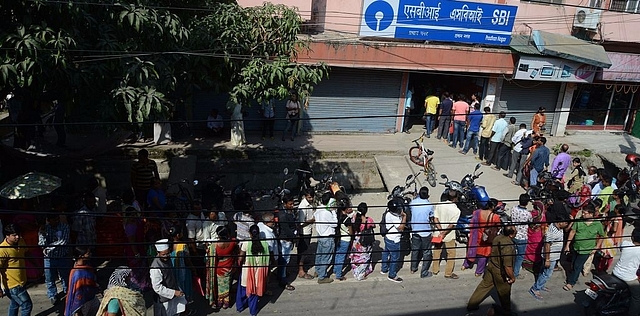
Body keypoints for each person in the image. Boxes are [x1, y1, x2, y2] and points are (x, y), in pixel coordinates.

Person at [466, 225, 517, 316]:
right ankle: (507, 311)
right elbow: (507, 266)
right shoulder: (508, 246)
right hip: (500, 272)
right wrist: (512, 277)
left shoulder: (498, 238)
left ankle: (472, 305)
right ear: (511, 235)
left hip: (491, 266)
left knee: (484, 286)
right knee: (504, 292)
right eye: (515, 231)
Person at [563, 204, 605, 291]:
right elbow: (572, 232)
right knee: (574, 264)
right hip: (576, 248)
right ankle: (573, 276)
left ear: (591, 214)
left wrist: (596, 247)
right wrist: (567, 245)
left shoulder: (597, 224)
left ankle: (571, 282)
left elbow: (601, 236)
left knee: (578, 266)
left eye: (585, 213)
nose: (582, 214)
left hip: (586, 250)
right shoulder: (579, 221)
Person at [529, 215, 570, 300]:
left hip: (553, 256)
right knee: (547, 273)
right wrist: (547, 259)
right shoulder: (553, 231)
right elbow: (547, 245)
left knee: (543, 271)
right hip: (550, 256)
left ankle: (540, 285)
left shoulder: (558, 227)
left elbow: (566, 229)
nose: (566, 225)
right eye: (566, 223)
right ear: (560, 222)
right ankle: (535, 289)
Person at [150, 239, 190, 316]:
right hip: (164, 298)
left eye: (167, 254)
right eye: (163, 254)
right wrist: (173, 292)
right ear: (158, 253)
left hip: (173, 292)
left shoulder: (167, 259)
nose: (166, 256)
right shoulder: (155, 267)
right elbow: (157, 287)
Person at [236, 225, 270, 316]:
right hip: (259, 273)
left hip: (247, 272)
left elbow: (240, 258)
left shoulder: (246, 243)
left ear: (250, 233)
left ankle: (240, 307)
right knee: (254, 293)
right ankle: (253, 311)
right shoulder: (265, 244)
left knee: (243, 290)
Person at [0, 224, 33, 316]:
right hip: (12, 286)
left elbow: (26, 253)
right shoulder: (3, 249)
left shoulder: (21, 241)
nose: (17, 237)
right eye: (14, 235)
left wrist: (36, 266)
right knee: (27, 305)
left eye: (18, 234)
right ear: (7, 236)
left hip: (21, 282)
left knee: (14, 304)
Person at [38, 214, 71, 305]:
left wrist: (48, 248)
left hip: (62, 256)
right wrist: (43, 234)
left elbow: (63, 241)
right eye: (53, 220)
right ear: (48, 220)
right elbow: (41, 244)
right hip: (49, 258)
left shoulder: (64, 227)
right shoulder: (45, 229)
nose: (56, 221)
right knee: (49, 278)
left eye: (57, 219)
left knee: (65, 276)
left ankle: (67, 292)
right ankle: (52, 294)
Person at [463, 200, 501, 277]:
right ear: (493, 207)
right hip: (486, 238)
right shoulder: (495, 217)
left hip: (476, 236)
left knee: (472, 250)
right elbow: (498, 227)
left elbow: (472, 222)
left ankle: (465, 265)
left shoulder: (477, 212)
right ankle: (478, 272)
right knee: (484, 255)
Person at [431, 191, 461, 279]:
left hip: (438, 234)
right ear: (455, 199)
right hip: (449, 236)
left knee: (437, 252)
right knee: (451, 254)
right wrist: (444, 233)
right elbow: (451, 225)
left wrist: (440, 231)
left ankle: (435, 270)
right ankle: (448, 273)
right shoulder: (456, 210)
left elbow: (435, 219)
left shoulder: (439, 205)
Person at [612, 228, 640, 316]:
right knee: (637, 297)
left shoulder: (625, 244)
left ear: (632, 237)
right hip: (628, 278)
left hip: (615, 272)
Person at [65, 246, 99, 316]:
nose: (90, 254)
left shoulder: (88, 267)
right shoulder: (77, 273)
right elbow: (76, 290)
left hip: (90, 298)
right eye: (88, 253)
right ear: (81, 256)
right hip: (82, 302)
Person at [380, 197, 408, 283]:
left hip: (388, 238)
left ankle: (384, 269)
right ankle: (392, 275)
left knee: (386, 252)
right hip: (394, 240)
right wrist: (404, 217)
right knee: (395, 258)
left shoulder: (388, 213)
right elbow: (401, 228)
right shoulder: (394, 217)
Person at [409, 187, 435, 278]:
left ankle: (413, 268)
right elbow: (431, 218)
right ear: (428, 195)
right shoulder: (430, 205)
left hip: (415, 230)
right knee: (427, 251)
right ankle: (424, 272)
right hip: (425, 232)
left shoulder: (413, 203)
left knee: (415, 250)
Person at [209, 227, 236, 309]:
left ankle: (220, 301)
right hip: (229, 266)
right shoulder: (233, 241)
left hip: (220, 267)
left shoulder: (215, 246)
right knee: (228, 284)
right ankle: (226, 303)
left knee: (220, 285)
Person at [315, 193, 338, 284]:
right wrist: (333, 212)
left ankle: (318, 270)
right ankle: (322, 276)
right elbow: (335, 224)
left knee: (319, 255)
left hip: (320, 236)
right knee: (326, 257)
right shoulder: (327, 213)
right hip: (327, 237)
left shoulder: (319, 209)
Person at [168, 226, 195, 303]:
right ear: (178, 235)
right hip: (184, 270)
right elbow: (187, 260)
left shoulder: (170, 245)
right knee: (186, 286)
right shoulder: (183, 245)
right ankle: (186, 304)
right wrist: (193, 269)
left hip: (175, 270)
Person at [350, 202, 375, 281]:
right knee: (365, 257)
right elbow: (374, 225)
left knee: (356, 256)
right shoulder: (369, 220)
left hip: (357, 240)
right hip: (365, 240)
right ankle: (361, 273)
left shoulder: (354, 218)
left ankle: (356, 271)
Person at [277, 195, 298, 289]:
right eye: (290, 204)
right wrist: (294, 237)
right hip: (285, 240)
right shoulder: (283, 215)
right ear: (284, 204)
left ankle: (281, 275)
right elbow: (287, 230)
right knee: (284, 261)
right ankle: (283, 280)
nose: (292, 205)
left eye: (293, 203)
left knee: (283, 261)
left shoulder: (286, 211)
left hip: (287, 239)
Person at [521, 200, 547, 275]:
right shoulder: (542, 216)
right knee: (536, 251)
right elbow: (543, 228)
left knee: (528, 249)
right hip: (538, 236)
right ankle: (534, 266)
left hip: (530, 234)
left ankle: (526, 264)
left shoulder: (530, 214)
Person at [509, 194, 531, 279]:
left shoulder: (513, 209)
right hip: (522, 237)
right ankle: (516, 273)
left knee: (512, 253)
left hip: (513, 235)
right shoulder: (527, 214)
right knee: (520, 256)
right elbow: (531, 222)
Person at [297, 189, 315, 279]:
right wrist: (312, 220)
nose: (311, 199)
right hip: (304, 232)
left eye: (312, 197)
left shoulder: (310, 204)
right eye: (309, 197)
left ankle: (302, 263)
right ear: (305, 196)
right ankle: (301, 270)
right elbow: (301, 223)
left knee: (305, 250)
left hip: (308, 230)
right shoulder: (303, 207)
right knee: (303, 251)